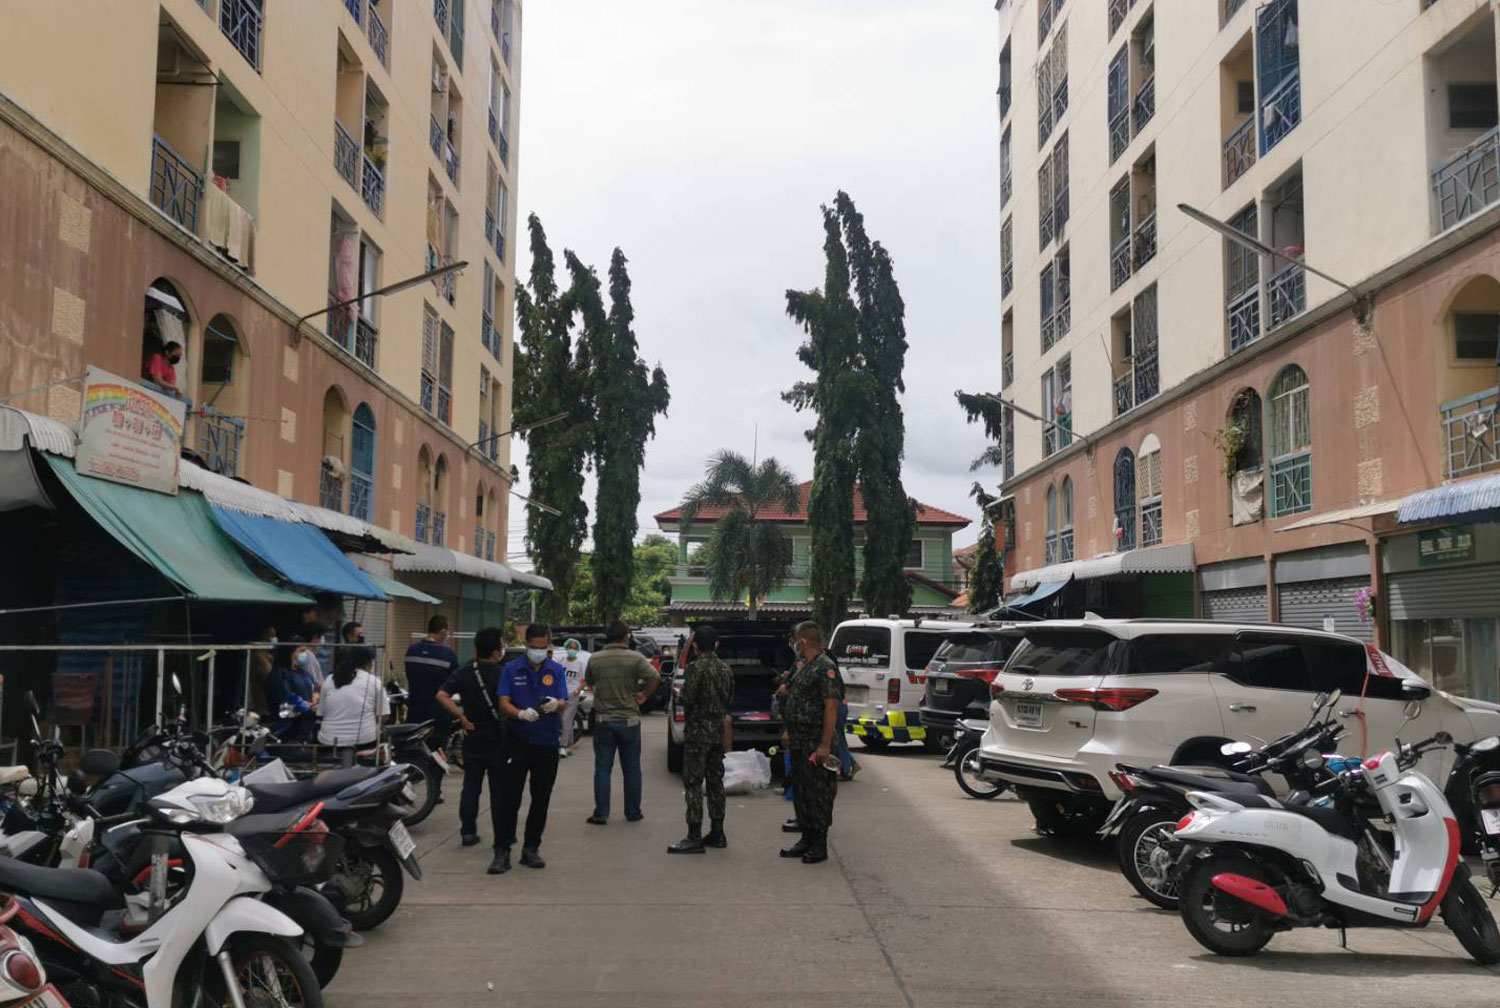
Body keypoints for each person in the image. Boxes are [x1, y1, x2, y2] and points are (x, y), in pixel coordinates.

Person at [492, 624, 569, 874]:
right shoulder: (511, 669)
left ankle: (531, 849)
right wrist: (520, 713)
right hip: (517, 741)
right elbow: (503, 702)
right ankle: (502, 851)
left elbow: (563, 701)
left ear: (548, 645)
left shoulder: (555, 670)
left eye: (542, 647)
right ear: (526, 646)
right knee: (509, 799)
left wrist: (554, 704)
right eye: (533, 647)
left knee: (541, 798)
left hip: (546, 742)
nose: (538, 651)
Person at [436, 626, 509, 849]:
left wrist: (461, 716)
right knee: (499, 789)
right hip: (498, 738)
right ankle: (502, 835)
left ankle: (468, 832)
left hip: (473, 735)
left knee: (471, 786)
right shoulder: (504, 673)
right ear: (497, 652)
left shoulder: (464, 671)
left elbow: (441, 695)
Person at [584, 621, 660, 825]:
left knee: (602, 769)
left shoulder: (595, 659)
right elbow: (655, 677)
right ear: (625, 637)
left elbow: (590, 682)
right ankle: (633, 812)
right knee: (632, 768)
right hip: (629, 721)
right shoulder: (636, 658)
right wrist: (643, 695)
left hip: (603, 721)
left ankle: (601, 814)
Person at [668, 627, 735, 854]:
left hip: (698, 732)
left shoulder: (695, 668)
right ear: (716, 645)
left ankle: (694, 836)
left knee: (694, 783)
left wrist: (678, 693)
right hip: (717, 731)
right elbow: (729, 698)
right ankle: (718, 832)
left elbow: (687, 698)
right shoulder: (726, 669)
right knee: (716, 782)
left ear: (695, 646)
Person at [779, 621, 841, 865]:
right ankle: (806, 838)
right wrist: (789, 730)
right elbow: (795, 699)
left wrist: (825, 745)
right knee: (802, 792)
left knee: (819, 794)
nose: (794, 644)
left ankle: (819, 843)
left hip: (816, 742)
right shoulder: (804, 667)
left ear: (802, 641)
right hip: (799, 740)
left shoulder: (826, 668)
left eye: (795, 639)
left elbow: (831, 708)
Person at [318, 646, 390, 764]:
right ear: (369, 663)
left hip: (328, 741)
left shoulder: (330, 679)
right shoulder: (374, 681)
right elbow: (384, 716)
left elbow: (321, 713)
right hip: (363, 741)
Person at [404, 615, 459, 728]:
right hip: (437, 714)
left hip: (414, 711)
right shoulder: (448, 654)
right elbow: (456, 681)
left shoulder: (412, 650)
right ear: (443, 631)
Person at [555, 638, 590, 757]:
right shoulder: (561, 661)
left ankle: (563, 746)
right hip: (561, 694)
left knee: (567, 719)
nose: (572, 650)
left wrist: (578, 690)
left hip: (573, 695)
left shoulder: (581, 663)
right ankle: (570, 743)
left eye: (575, 648)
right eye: (570, 647)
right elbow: (556, 677)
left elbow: (585, 680)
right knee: (563, 720)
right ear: (566, 648)